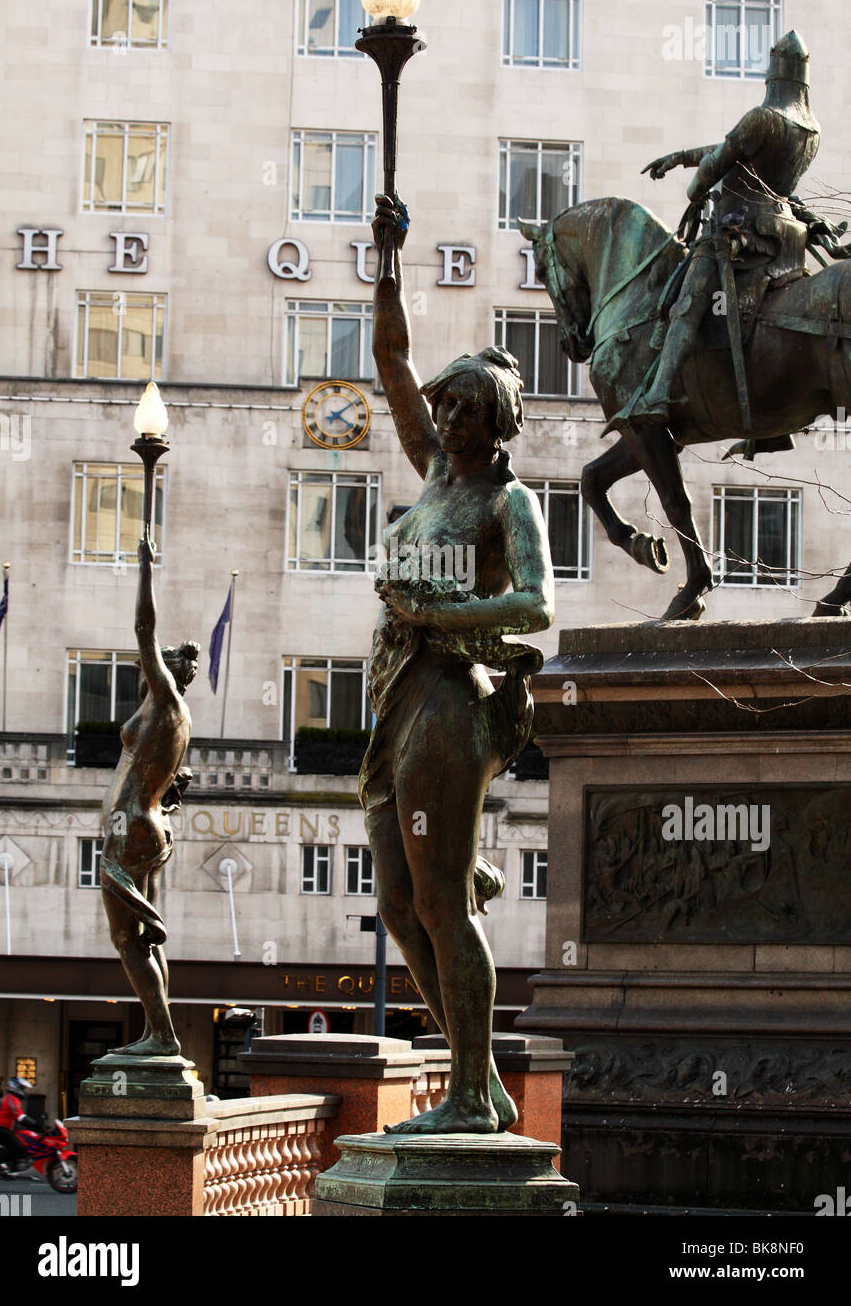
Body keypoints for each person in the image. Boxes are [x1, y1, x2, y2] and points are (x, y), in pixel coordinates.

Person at [360, 195, 555, 1134]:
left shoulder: (507, 503)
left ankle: (471, 1096)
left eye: (468, 410)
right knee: (399, 905)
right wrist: (386, 261)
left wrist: (440, 611)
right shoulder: (435, 471)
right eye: (446, 406)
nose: (450, 419)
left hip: (452, 696)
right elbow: (389, 359)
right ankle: (475, 1081)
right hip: (397, 697)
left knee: (438, 897)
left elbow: (536, 607)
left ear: (497, 420)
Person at [610, 30, 832, 432]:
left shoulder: (762, 117)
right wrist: (681, 157)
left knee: (687, 302)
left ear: (772, 76)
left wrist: (695, 188)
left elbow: (719, 161)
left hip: (740, 232)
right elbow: (737, 149)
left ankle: (658, 392)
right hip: (785, 239)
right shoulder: (810, 128)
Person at [100, 537, 199, 1057]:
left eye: (153, 665)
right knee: (141, 936)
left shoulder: (165, 701)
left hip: (133, 826)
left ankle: (161, 1036)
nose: (145, 669)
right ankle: (158, 1034)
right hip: (150, 824)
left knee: (125, 938)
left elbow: (144, 628)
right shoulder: (179, 719)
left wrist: (144, 566)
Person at [0, 1076, 41, 1167]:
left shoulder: (12, 1098)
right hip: (0, 1129)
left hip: (4, 1129)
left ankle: (12, 1166)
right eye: (22, 1088)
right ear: (16, 1087)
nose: (24, 1091)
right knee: (19, 1149)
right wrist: (38, 1126)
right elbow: (21, 1117)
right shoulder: (11, 1099)